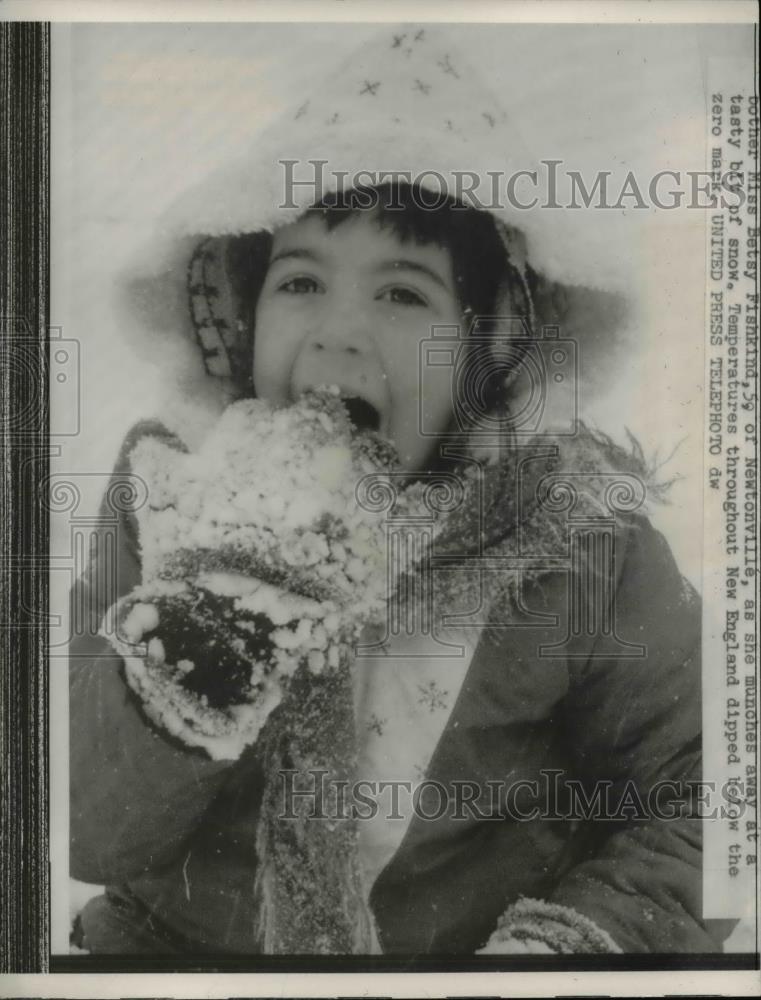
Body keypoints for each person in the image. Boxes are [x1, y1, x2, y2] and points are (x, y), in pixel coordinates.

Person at [69, 25, 727, 956]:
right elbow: (91, 832)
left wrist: (570, 950)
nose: (338, 337)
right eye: (300, 282)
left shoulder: (579, 542)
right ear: (243, 314)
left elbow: (707, 793)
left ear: (490, 344)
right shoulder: (167, 502)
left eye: (402, 294)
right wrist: (199, 644)